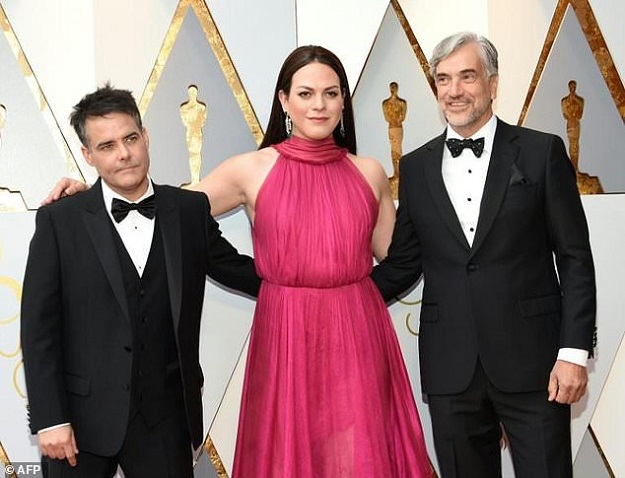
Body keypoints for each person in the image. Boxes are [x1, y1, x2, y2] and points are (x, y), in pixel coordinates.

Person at [44, 46, 433, 477]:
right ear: (284, 101)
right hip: (285, 331)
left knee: (360, 452)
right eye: (305, 93)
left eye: (331, 93)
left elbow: (396, 258)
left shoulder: (370, 172)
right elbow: (168, 208)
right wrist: (95, 199)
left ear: (344, 101)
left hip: (358, 335)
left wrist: (350, 296)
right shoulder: (251, 168)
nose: (319, 105)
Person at [372, 32, 596, 478]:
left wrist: (574, 353)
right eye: (443, 79)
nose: (454, 91)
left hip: (536, 365)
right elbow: (403, 263)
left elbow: (574, 259)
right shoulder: (415, 167)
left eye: (467, 76)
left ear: (493, 84)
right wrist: (333, 295)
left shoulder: (540, 151)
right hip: (450, 367)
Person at [21, 85, 260, 478]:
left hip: (164, 419)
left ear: (146, 137)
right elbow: (38, 327)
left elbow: (242, 272)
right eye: (107, 145)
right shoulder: (59, 220)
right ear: (88, 155)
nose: (124, 154)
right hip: (79, 421)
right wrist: (50, 419)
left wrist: (323, 285)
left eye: (131, 138)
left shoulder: (188, 210)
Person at [382, 81, 407, 197]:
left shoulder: (402, 102)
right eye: (391, 87)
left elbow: (402, 116)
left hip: (397, 127)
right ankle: (396, 173)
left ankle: (399, 173)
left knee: (398, 149)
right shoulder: (386, 103)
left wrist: (395, 118)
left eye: (394, 87)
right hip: (392, 127)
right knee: (393, 150)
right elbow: (387, 117)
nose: (393, 89)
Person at [561, 79, 584, 172]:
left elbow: (580, 115)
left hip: (576, 123)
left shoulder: (580, 100)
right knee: (572, 144)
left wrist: (576, 100)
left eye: (574, 86)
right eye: (571, 87)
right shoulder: (564, 101)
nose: (572, 88)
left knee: (575, 144)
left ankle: (575, 166)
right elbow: (565, 115)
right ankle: (573, 167)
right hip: (570, 123)